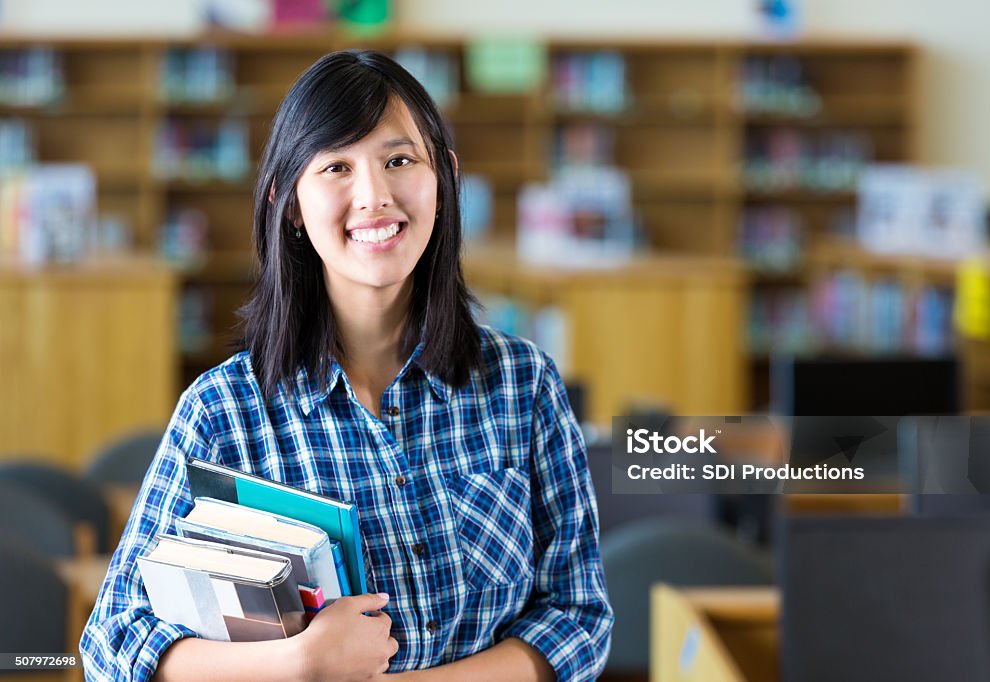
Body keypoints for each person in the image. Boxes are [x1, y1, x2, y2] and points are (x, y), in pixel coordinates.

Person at [80, 49, 613, 682]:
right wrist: (299, 662)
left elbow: (577, 617)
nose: (375, 196)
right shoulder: (224, 413)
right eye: (336, 166)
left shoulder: (524, 386)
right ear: (291, 203)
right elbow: (112, 645)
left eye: (399, 160)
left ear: (444, 176)